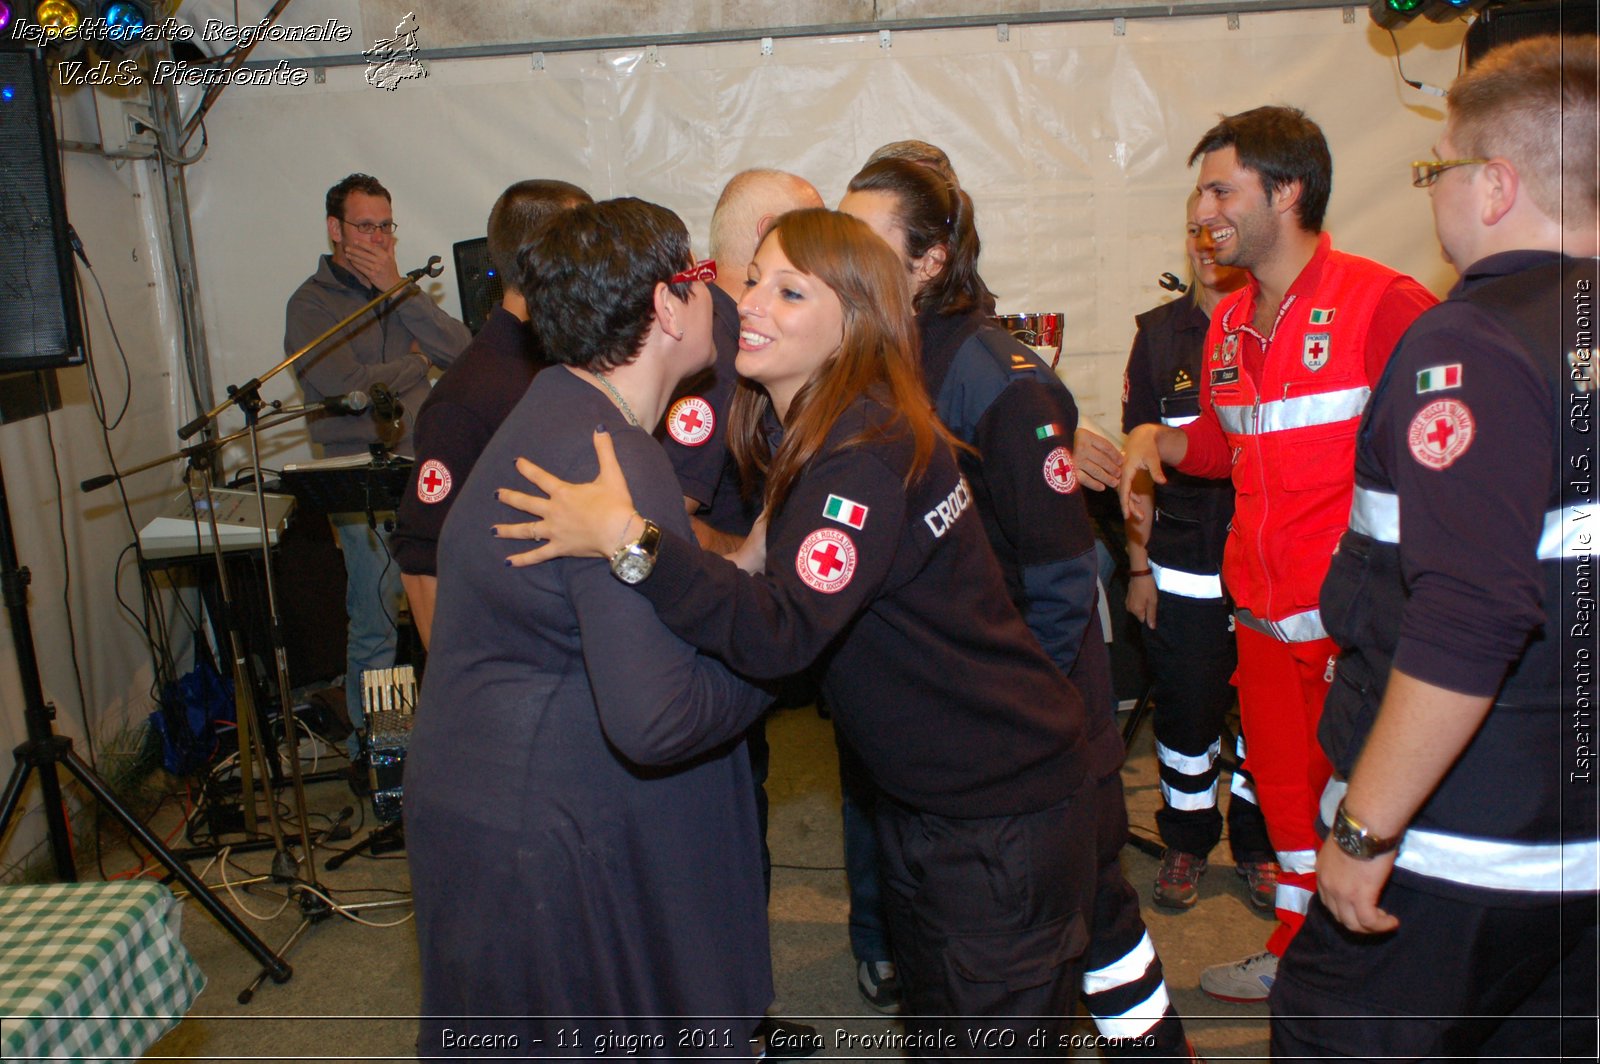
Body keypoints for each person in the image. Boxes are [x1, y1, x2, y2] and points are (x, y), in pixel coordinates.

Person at [496, 209, 1194, 1059]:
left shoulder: (859, 451)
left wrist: (630, 543)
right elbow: (766, 567)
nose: (749, 303)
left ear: (855, 321)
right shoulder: (825, 435)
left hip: (996, 814)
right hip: (953, 796)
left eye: (789, 290)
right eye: (753, 277)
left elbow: (783, 634)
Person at [1271, 35, 1599, 1060]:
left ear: (1495, 186)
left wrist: (1364, 829)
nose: (1432, 195)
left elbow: (1470, 609)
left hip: (1460, 848)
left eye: (1437, 168)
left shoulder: (1475, 341)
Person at [403, 197, 774, 1057]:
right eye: (702, 277)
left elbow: (624, 590)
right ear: (664, 306)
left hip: (495, 808)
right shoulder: (617, 458)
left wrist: (737, 567)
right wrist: (774, 653)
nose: (719, 296)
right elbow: (656, 720)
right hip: (548, 836)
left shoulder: (557, 407)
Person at [840, 157, 1184, 1053]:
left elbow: (1063, 580)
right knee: (1061, 922)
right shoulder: (890, 356)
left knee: (1086, 919)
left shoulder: (996, 376)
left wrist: (1015, 721)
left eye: (867, 241)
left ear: (929, 260)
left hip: (1036, 730)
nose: (846, 258)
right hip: (973, 731)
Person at [1119, 107, 1437, 1002]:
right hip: (1257, 621)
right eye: (1199, 191)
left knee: (1362, 815)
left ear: (1286, 192)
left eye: (1222, 188)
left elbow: (1451, 456)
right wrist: (1160, 441)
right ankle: (1301, 953)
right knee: (1291, 812)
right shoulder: (1226, 328)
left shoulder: (1383, 302)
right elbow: (1227, 452)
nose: (1203, 208)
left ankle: (1381, 979)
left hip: (1354, 630)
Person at [659, 168, 825, 1053]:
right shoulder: (725, 355)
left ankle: (738, 1016)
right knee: (720, 844)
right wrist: (757, 567)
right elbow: (674, 524)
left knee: (732, 830)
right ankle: (733, 1025)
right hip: (706, 638)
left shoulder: (734, 340)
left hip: (717, 634)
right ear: (763, 237)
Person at [1121, 194, 1276, 912]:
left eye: (1220, 228)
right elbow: (1137, 466)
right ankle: (1186, 841)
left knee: (1266, 715)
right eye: (1194, 230)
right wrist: (1137, 566)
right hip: (1181, 568)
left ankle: (1259, 843)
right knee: (1185, 718)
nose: (1207, 243)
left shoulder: (1276, 329)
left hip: (1271, 571)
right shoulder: (1157, 337)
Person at [285, 173, 470, 746]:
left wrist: (399, 292)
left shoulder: (402, 292)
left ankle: (448, 740)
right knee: (377, 614)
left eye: (385, 227)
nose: (378, 240)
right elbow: (341, 387)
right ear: (335, 230)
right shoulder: (311, 304)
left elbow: (464, 354)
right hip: (356, 480)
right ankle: (384, 749)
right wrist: (417, 367)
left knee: (448, 608)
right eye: (364, 227)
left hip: (423, 472)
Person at [391, 178, 592, 647]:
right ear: (547, 258)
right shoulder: (468, 396)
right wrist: (465, 700)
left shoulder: (568, 362)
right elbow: (422, 563)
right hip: (513, 663)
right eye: (589, 243)